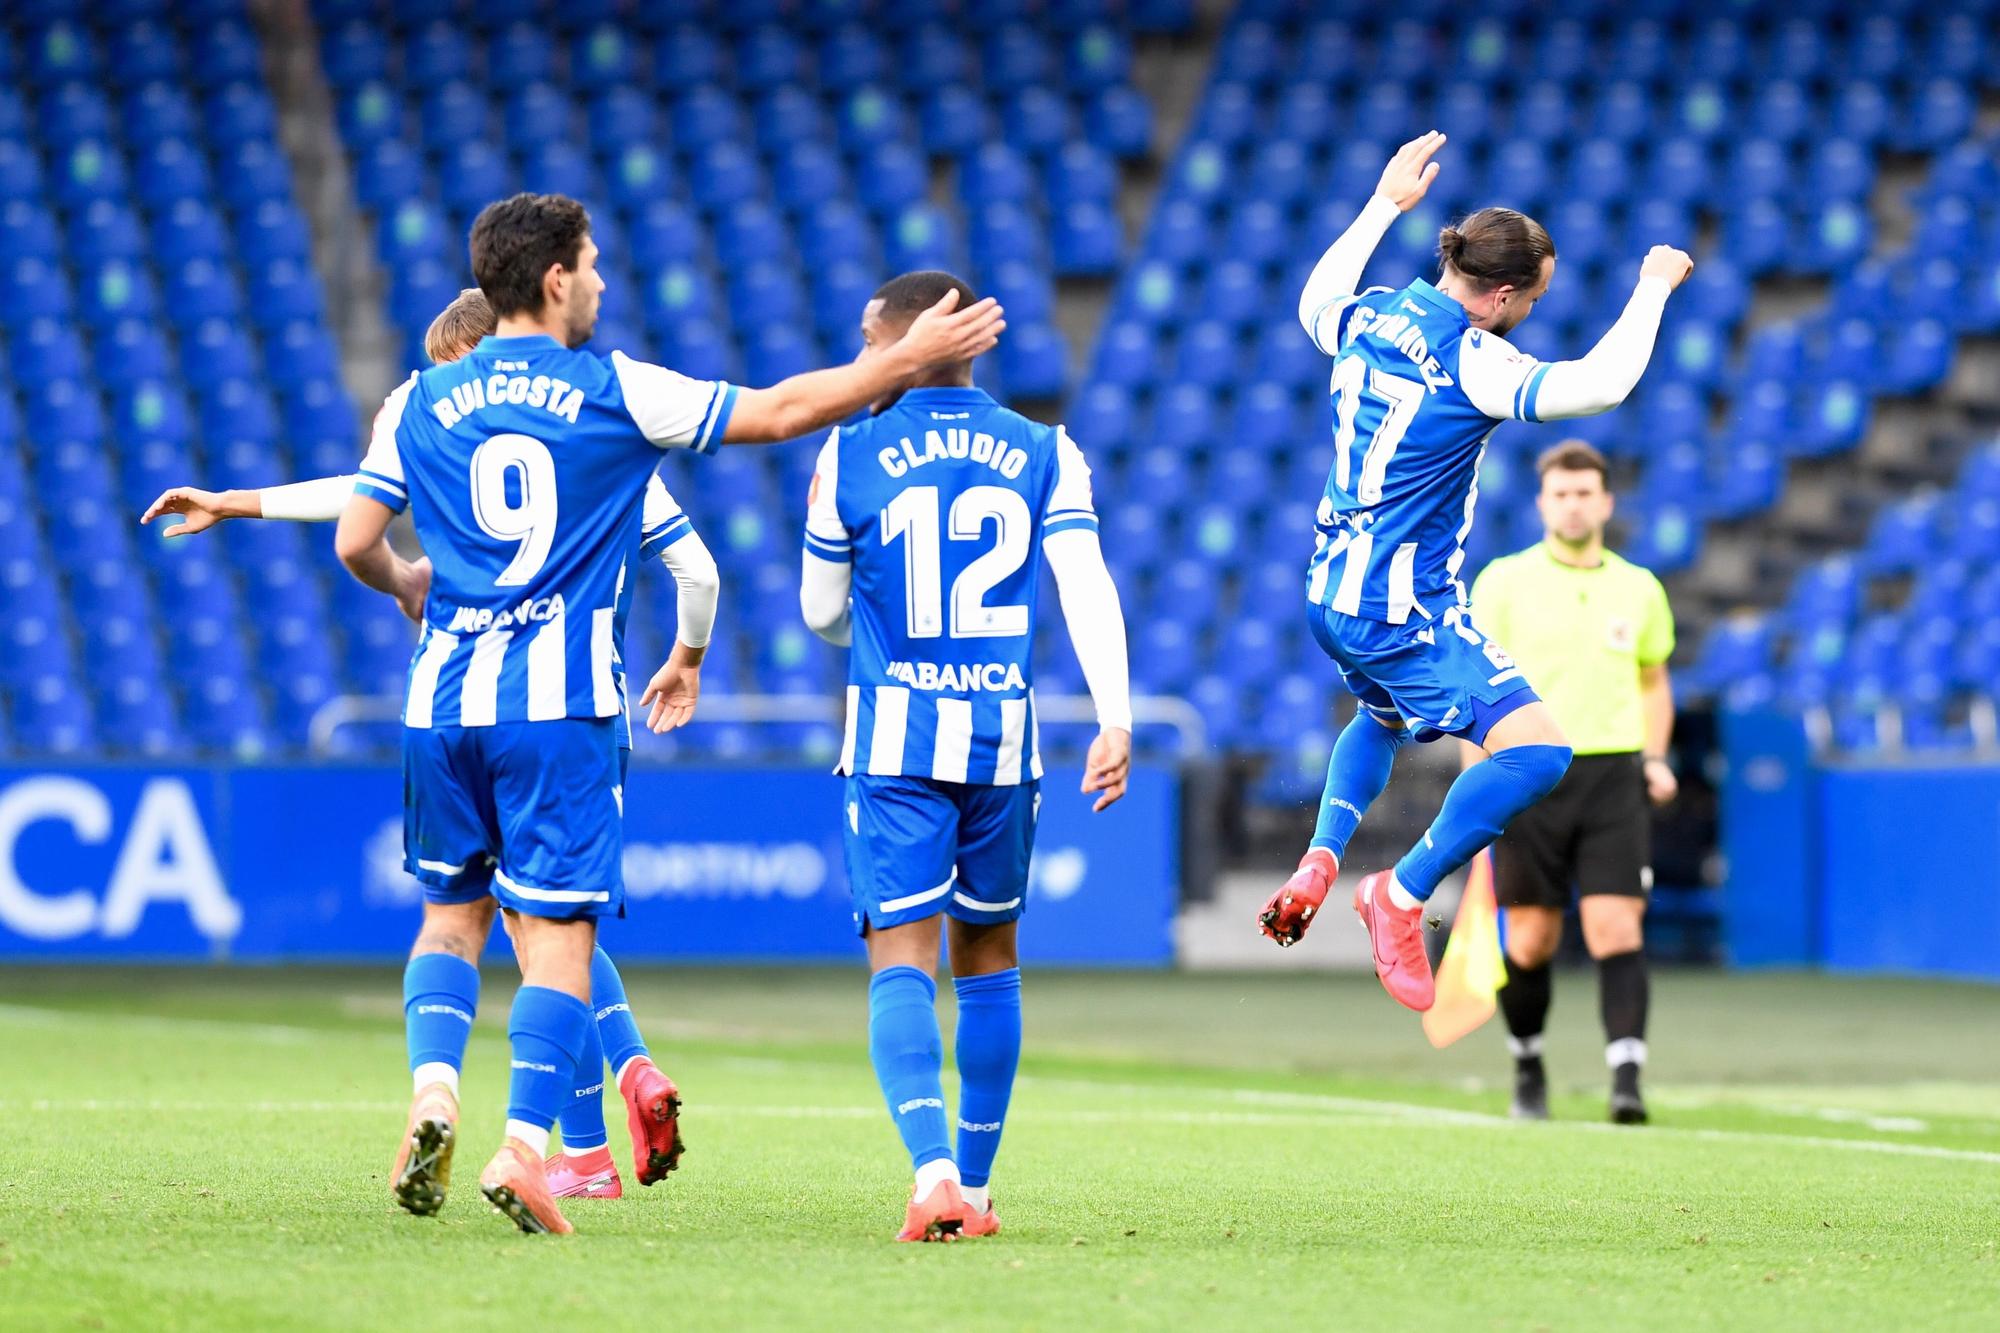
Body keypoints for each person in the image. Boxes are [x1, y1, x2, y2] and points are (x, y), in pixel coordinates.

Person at [331, 193, 1005, 1234]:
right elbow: (781, 411)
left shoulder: (419, 398)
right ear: (554, 280)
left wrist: (411, 581)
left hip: (438, 704)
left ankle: (431, 1093)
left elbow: (353, 541)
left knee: (449, 918)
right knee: (557, 934)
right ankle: (521, 1149)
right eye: (592, 265)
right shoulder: (612, 389)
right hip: (555, 710)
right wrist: (898, 362)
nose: (601, 281)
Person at [140, 288, 713, 1201]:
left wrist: (242, 503)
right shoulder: (605, 442)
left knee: (503, 926)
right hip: (573, 709)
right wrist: (685, 660)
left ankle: (576, 1137)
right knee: (549, 925)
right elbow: (699, 568)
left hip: (460, 708)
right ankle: (608, 1110)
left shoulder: (445, 415)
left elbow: (359, 515)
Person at [1254, 132, 1693, 1016]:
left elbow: (1313, 298)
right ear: (1500, 296)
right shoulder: (1475, 359)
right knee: (1539, 751)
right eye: (1533, 297)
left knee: (1381, 717)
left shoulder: (1372, 312)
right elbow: (1602, 384)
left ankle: (1324, 853)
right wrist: (1652, 287)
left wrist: (1385, 203)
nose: (1532, 311)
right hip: (1402, 605)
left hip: (1330, 591)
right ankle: (1402, 893)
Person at [800, 271, 1131, 1242]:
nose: (861, 348)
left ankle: (931, 1173)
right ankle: (977, 1191)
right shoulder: (1044, 448)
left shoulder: (849, 446)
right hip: (1002, 740)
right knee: (987, 958)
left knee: (899, 960)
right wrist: (1113, 713)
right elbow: (1083, 580)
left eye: (870, 333)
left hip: (895, 736)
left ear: (907, 337)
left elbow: (821, 611)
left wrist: (878, 619)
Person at [1463, 441, 1677, 1124]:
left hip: (1613, 771)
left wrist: (1655, 757)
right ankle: (1528, 1066)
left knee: (1616, 925)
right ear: (1542, 503)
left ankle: (1627, 1079)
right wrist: (1477, 783)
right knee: (1529, 937)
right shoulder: (1502, 582)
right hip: (1526, 770)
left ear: (1606, 502)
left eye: (1585, 492)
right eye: (1561, 493)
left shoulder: (1639, 587)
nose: (1574, 503)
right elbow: (1474, 689)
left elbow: (1653, 680)